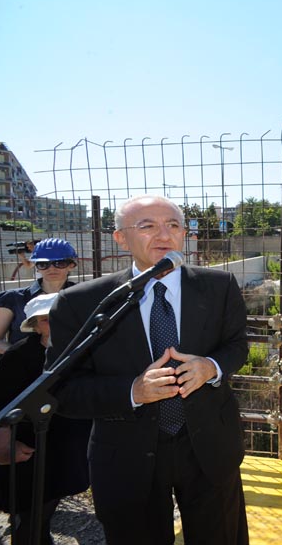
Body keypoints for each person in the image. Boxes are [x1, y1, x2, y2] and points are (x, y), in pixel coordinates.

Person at [48, 195, 249, 545]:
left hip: (209, 448)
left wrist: (210, 367)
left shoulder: (219, 287)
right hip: (125, 454)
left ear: (184, 234)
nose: (164, 235)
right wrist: (132, 391)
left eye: (173, 225)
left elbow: (237, 346)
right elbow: (64, 389)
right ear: (121, 238)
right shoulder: (83, 302)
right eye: (147, 226)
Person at [0, 293, 92, 545]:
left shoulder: (80, 351)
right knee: (30, 517)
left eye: (59, 317)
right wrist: (0, 440)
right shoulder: (20, 355)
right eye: (46, 320)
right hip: (29, 449)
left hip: (65, 448)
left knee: (44, 514)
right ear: (34, 325)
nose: (54, 323)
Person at [0, 238, 78, 354]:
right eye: (43, 264)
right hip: (23, 369)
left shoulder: (82, 296)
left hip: (70, 366)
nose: (51, 268)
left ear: (71, 265)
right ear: (36, 266)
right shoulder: (13, 299)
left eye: (59, 263)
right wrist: (20, 356)